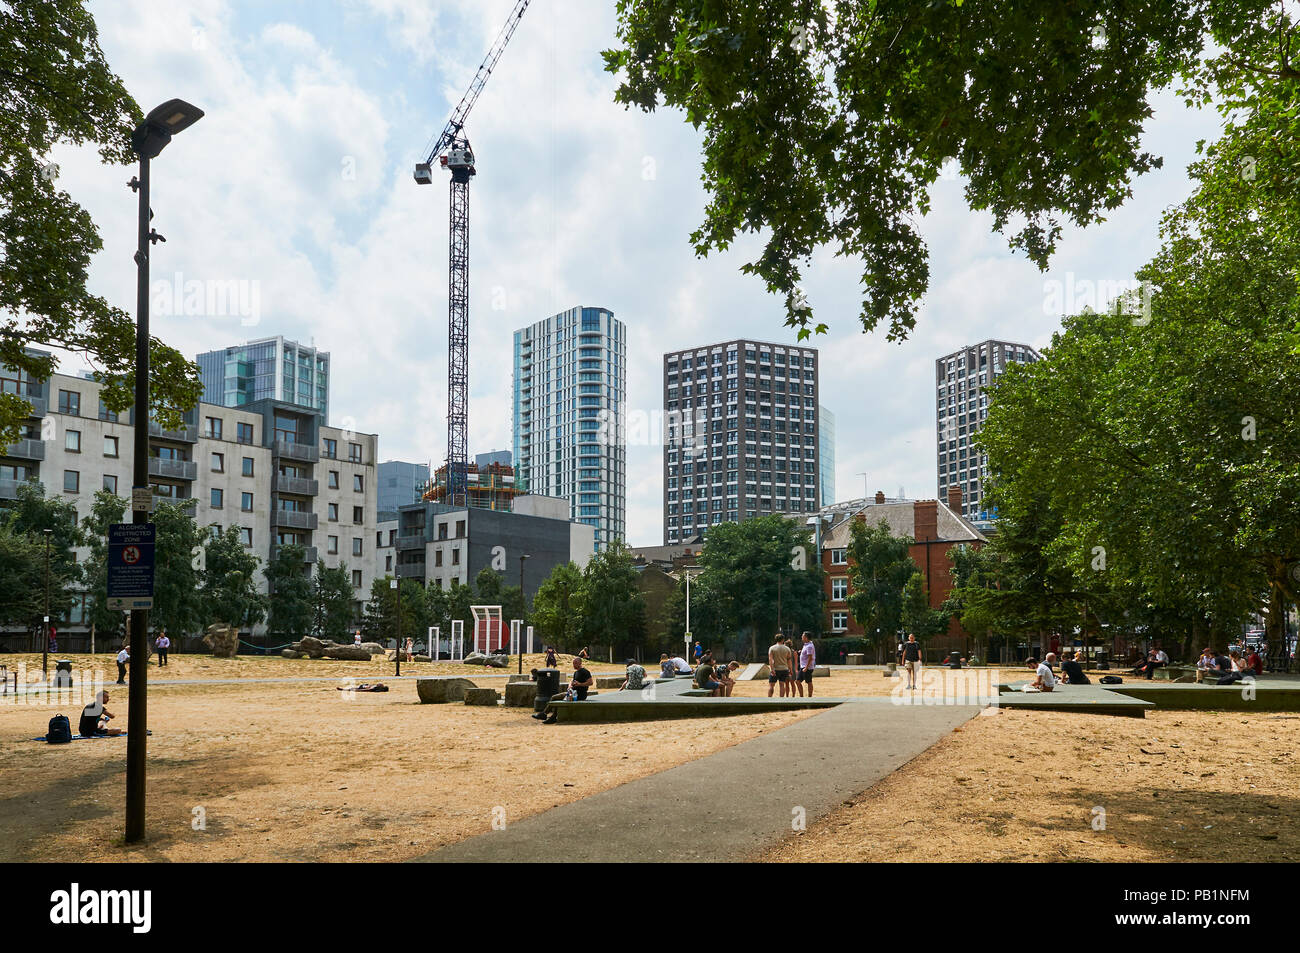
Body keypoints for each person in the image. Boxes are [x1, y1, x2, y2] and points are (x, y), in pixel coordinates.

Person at [535, 658, 594, 723]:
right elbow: (572, 680)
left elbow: (591, 682)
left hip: (580, 695)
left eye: (575, 663)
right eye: (573, 663)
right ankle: (545, 714)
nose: (574, 665)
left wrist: (580, 684)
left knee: (557, 698)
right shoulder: (576, 672)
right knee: (554, 697)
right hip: (572, 693)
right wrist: (570, 686)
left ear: (580, 663)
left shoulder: (585, 671)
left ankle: (552, 716)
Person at [797, 632, 816, 697]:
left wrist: (806, 667)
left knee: (809, 682)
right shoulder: (806, 645)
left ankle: (809, 697)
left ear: (806, 637)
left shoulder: (809, 646)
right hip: (803, 666)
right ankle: (801, 696)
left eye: (802, 636)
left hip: (807, 667)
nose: (801, 637)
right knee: (798, 681)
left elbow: (810, 658)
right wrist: (801, 652)